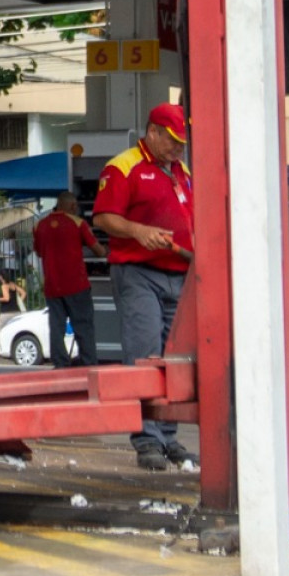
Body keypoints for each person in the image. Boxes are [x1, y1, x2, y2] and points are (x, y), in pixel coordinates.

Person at [93, 102, 196, 471]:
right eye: (171, 141)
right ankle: (147, 439)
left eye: (181, 143)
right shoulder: (123, 167)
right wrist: (139, 231)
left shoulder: (180, 171)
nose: (177, 149)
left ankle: (168, 437)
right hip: (140, 274)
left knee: (174, 360)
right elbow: (103, 217)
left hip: (179, 272)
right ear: (152, 132)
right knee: (145, 353)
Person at [32, 189, 105, 368]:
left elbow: (39, 252)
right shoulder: (78, 223)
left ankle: (60, 364)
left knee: (56, 328)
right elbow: (99, 250)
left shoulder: (39, 225)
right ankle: (88, 363)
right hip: (77, 284)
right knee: (83, 326)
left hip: (52, 286)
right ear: (73, 206)